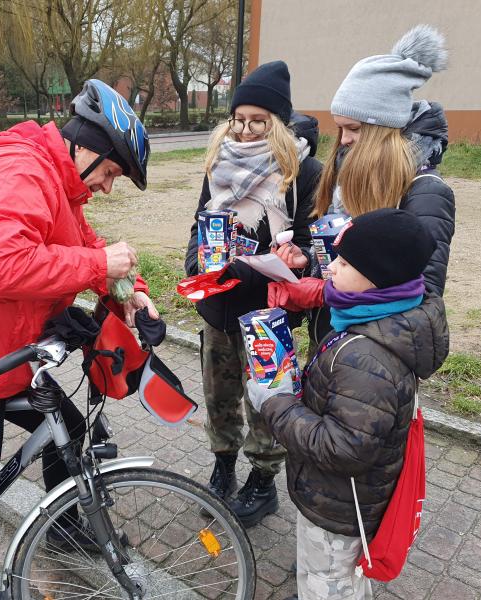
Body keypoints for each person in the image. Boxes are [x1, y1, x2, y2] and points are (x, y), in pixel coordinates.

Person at [0, 79, 157, 600]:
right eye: (110, 172)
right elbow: (1, 267)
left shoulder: (57, 184)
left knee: (70, 424)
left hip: (3, 360)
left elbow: (87, 249)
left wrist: (132, 295)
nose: (108, 186)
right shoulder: (20, 170)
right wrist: (97, 264)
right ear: (87, 146)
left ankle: (62, 527)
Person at [256, 208, 449, 600]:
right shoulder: (380, 321)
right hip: (347, 498)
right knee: (336, 579)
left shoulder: (366, 357)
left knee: (329, 582)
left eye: (343, 263)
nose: (330, 270)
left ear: (376, 278)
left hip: (341, 507)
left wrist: (273, 403)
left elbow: (342, 448)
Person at [183, 60, 323, 526]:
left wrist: (276, 262)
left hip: (268, 311)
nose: (243, 130)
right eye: (237, 119)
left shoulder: (303, 172)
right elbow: (201, 222)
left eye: (256, 121)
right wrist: (194, 264)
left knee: (267, 400)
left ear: (277, 123)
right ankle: (222, 467)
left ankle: (262, 483)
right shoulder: (218, 162)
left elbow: (308, 239)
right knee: (220, 395)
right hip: (218, 307)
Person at [279, 25, 455, 346]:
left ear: (383, 128)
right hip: (332, 335)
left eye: (354, 128)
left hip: (374, 351)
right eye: (340, 127)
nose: (343, 140)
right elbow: (349, 257)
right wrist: (309, 260)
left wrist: (322, 292)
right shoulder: (346, 178)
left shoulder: (425, 193)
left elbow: (420, 296)